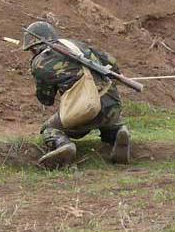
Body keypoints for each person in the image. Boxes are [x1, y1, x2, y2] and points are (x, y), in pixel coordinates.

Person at [23, 21, 131, 168]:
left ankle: (63, 145)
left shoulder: (40, 62)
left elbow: (46, 99)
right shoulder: (76, 45)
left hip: (85, 108)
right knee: (107, 121)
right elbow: (111, 62)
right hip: (111, 102)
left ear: (34, 47)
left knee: (49, 129)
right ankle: (118, 132)